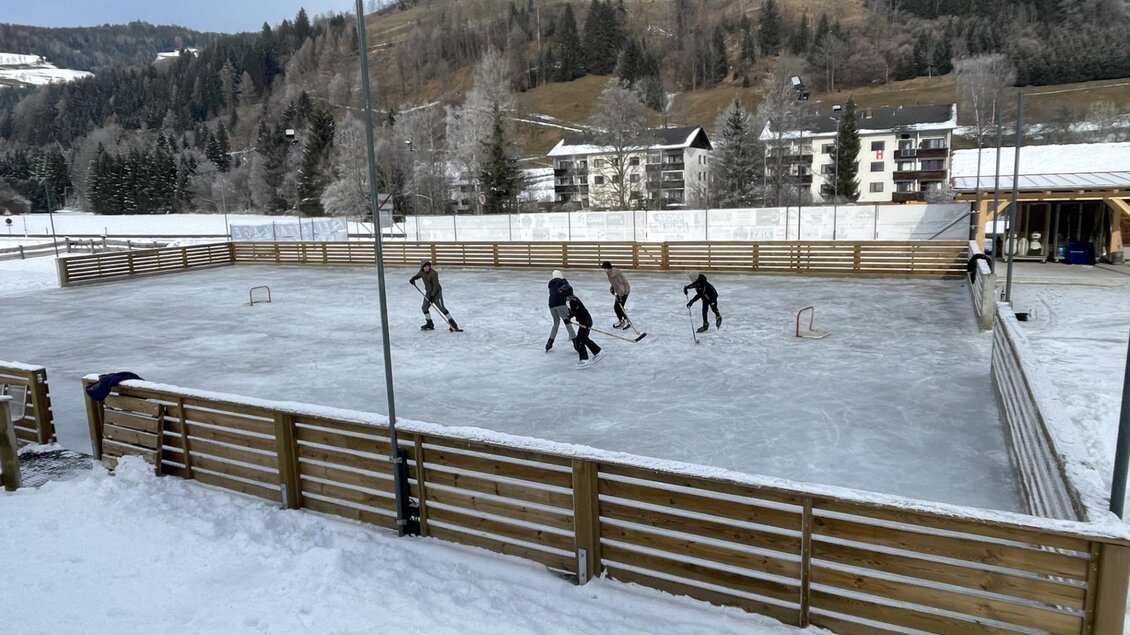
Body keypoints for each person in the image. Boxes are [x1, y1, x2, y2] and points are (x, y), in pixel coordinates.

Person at [409, 260, 460, 332]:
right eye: (425, 267)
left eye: (428, 266)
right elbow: (418, 275)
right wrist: (413, 278)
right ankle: (429, 323)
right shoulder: (422, 272)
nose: (427, 268)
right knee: (424, 307)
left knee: (441, 308)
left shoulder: (434, 273)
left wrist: (432, 296)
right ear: (422, 267)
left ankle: (453, 324)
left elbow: (436, 286)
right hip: (428, 292)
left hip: (437, 293)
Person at [566, 293, 604, 368]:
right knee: (584, 339)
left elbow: (577, 312)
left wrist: (569, 317)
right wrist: (569, 317)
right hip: (585, 321)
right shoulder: (573, 300)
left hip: (585, 322)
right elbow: (575, 312)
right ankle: (598, 352)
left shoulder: (573, 301)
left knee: (579, 341)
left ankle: (584, 360)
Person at [546, 269, 575, 352]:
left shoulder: (551, 284)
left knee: (556, 323)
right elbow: (569, 289)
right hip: (560, 304)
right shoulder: (562, 281)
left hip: (551, 305)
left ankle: (549, 343)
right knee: (567, 322)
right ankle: (576, 343)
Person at [601, 261, 632, 329]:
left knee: (619, 307)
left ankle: (626, 321)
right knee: (617, 307)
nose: (604, 270)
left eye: (604, 268)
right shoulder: (610, 273)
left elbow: (621, 285)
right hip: (620, 291)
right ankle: (622, 320)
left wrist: (620, 296)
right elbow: (614, 283)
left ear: (608, 268)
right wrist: (612, 288)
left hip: (624, 291)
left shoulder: (615, 275)